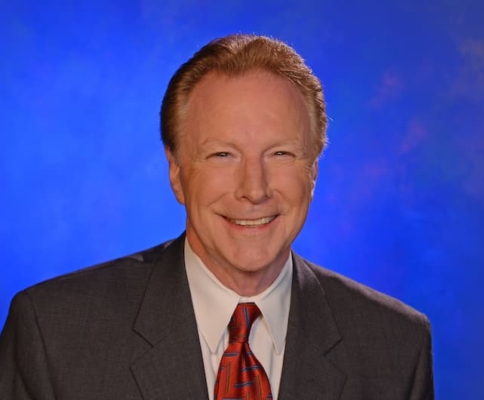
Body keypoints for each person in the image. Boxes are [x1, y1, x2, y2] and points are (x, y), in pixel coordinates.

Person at [0, 34, 434, 400]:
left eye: (281, 153)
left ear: (313, 170)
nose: (254, 189)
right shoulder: (53, 335)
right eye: (223, 155)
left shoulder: (396, 345)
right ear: (176, 172)